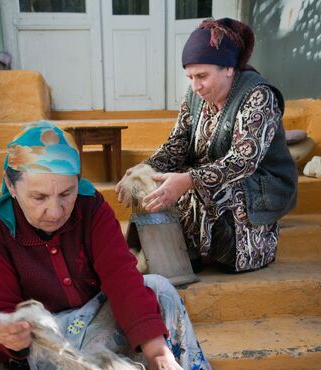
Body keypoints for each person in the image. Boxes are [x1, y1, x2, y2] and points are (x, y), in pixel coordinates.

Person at [0, 122, 224, 370]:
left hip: (101, 315)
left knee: (159, 288)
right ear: (10, 187)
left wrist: (157, 353)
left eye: (66, 194)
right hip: (54, 342)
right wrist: (5, 336)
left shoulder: (91, 208)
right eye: (39, 197)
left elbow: (121, 277)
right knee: (86, 346)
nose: (56, 211)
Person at [116, 18, 297, 273]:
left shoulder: (258, 95)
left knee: (208, 188)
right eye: (190, 76)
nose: (195, 85)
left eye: (202, 76)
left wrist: (189, 180)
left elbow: (243, 161)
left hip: (260, 184)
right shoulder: (194, 95)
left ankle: (235, 255)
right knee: (152, 182)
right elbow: (177, 144)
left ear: (229, 69)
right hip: (211, 174)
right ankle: (180, 256)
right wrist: (144, 168)